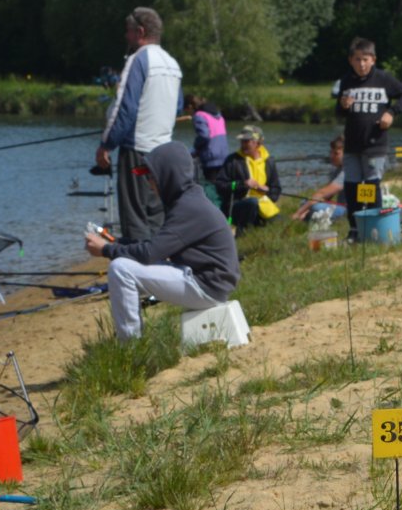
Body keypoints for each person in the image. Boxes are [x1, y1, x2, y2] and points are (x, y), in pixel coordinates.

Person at [82, 143, 238, 341]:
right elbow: (157, 246)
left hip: (207, 287)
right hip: (210, 282)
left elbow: (150, 253)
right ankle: (130, 338)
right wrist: (118, 243)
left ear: (169, 175)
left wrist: (105, 249)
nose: (148, 182)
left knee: (120, 269)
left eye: (151, 176)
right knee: (125, 264)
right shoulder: (188, 199)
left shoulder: (188, 207)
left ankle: (130, 344)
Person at [98, 7, 184, 243]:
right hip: (163, 154)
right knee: (156, 215)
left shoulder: (138, 60)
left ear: (140, 31)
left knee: (134, 216)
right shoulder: (172, 63)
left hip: (136, 154)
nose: (126, 36)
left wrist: (106, 145)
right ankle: (158, 268)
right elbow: (177, 106)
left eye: (128, 31)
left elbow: (124, 109)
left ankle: (138, 270)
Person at [333, 36, 402, 241]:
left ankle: (374, 229)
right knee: (351, 187)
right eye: (358, 59)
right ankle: (354, 230)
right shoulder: (346, 81)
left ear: (373, 60)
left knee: (369, 186)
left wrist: (392, 113)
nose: (361, 64)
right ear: (351, 60)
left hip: (375, 145)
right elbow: (339, 113)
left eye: (365, 59)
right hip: (352, 145)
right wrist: (342, 106)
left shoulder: (383, 79)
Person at [220, 124, 284, 230]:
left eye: (247, 141)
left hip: (264, 206)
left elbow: (276, 191)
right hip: (236, 206)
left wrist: (266, 190)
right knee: (252, 203)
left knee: (282, 224)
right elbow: (220, 185)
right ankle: (241, 234)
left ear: (258, 143)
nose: (243, 145)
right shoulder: (232, 160)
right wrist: (242, 184)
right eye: (242, 141)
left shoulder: (269, 161)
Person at [292, 136, 346, 222]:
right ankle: (307, 216)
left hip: (347, 210)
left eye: (336, 153)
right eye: (331, 152)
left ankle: (305, 217)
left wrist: (298, 213)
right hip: (340, 206)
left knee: (316, 207)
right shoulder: (337, 169)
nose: (331, 156)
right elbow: (327, 196)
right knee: (305, 202)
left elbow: (322, 193)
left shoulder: (347, 171)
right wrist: (306, 209)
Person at [188, 96, 230, 196]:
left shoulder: (199, 115)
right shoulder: (218, 114)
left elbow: (204, 135)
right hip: (224, 155)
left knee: (211, 187)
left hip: (210, 156)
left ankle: (212, 207)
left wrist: (196, 148)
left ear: (190, 106)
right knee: (220, 186)